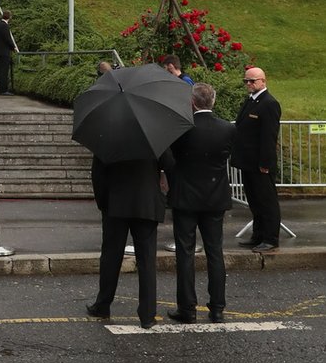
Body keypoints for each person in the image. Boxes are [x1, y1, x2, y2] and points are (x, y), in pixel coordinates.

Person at [166, 83, 235, 322]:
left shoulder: (183, 128)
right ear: (212, 102)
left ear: (192, 103)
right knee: (215, 252)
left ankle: (187, 308)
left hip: (186, 196)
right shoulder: (227, 128)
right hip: (215, 196)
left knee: (185, 254)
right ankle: (217, 307)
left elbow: (172, 158)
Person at [87, 155, 169, 329]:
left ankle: (103, 305)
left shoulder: (109, 135)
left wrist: (103, 203)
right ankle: (147, 314)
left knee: (111, 256)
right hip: (146, 202)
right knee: (147, 260)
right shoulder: (154, 133)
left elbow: (98, 174)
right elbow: (169, 163)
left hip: (116, 202)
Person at [232, 65, 282, 251]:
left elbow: (269, 137)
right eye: (246, 81)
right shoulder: (251, 101)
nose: (249, 84)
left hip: (260, 163)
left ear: (263, 81)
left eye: (252, 81)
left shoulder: (269, 103)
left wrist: (265, 163)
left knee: (266, 201)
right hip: (248, 162)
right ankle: (258, 234)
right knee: (254, 200)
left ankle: (270, 238)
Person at [0, 11, 19, 95]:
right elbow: (7, 39)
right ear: (9, 17)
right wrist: (13, 47)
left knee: (0, 71)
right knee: (4, 71)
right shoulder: (5, 26)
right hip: (4, 51)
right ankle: (3, 90)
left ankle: (0, 89)